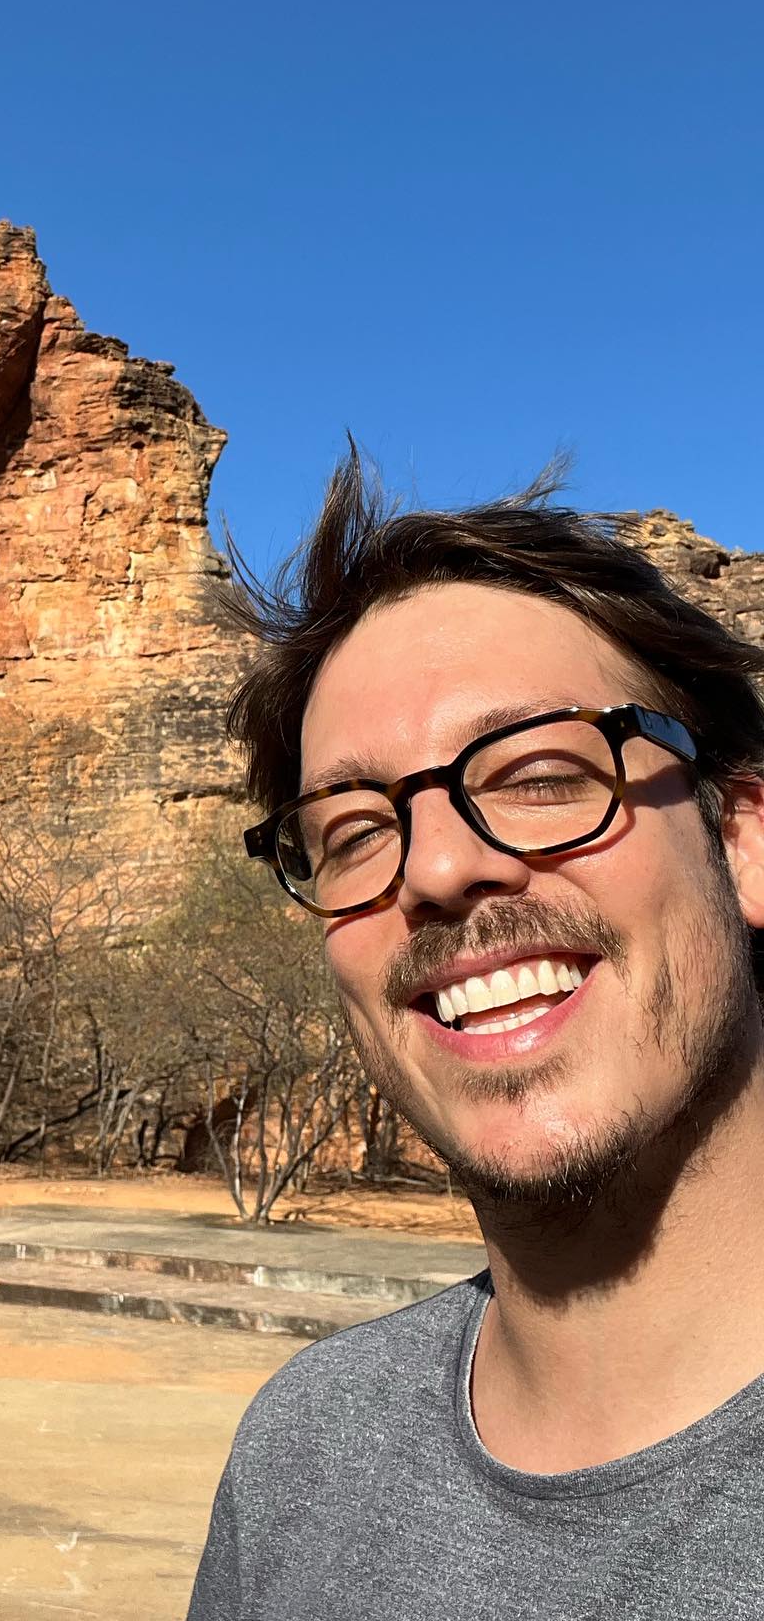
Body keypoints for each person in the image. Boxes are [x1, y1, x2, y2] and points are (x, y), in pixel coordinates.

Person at [187, 453, 764, 1620]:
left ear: (743, 839)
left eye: (545, 774)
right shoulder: (301, 1453)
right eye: (352, 832)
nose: (440, 869)